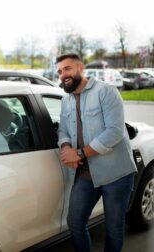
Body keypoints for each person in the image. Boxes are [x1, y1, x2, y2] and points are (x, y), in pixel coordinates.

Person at [56, 53, 137, 252]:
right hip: (85, 175)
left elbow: (115, 132)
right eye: (59, 71)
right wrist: (66, 147)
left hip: (116, 174)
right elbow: (63, 129)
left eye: (67, 68)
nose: (62, 74)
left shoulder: (106, 91)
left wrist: (80, 154)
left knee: (113, 229)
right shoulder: (65, 100)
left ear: (80, 67)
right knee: (74, 222)